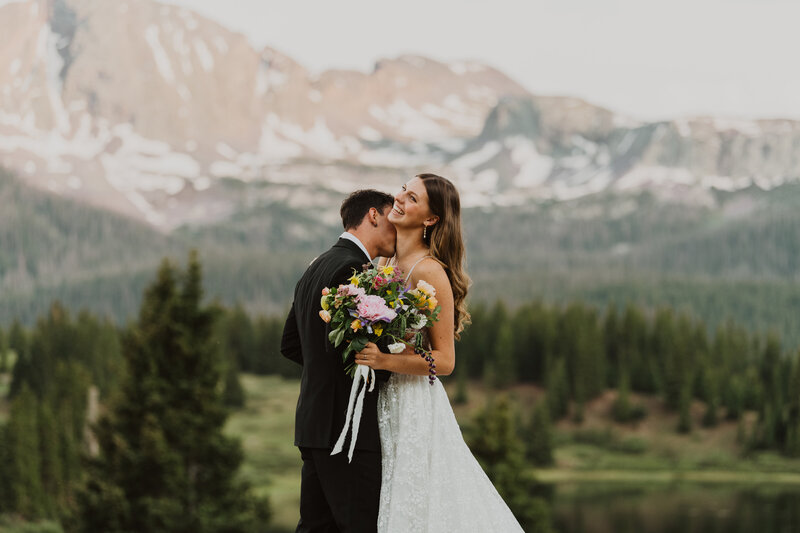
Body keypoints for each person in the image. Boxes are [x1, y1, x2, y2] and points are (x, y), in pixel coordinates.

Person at [354, 174, 524, 532]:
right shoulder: (383, 266)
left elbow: (445, 361)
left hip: (412, 403)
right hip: (379, 398)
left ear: (431, 219)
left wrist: (384, 361)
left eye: (412, 198)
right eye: (404, 189)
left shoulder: (429, 271)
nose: (399, 198)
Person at [281, 189, 396, 533]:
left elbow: (290, 344)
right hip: (347, 430)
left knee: (316, 527)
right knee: (359, 524)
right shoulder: (353, 269)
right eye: (392, 216)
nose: (398, 228)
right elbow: (358, 354)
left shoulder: (317, 264)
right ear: (373, 215)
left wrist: (323, 374)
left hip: (314, 424)